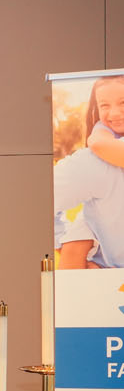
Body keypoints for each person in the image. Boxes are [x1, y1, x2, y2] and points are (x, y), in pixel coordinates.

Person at [54, 74, 124, 268]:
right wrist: (65, 245)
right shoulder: (94, 163)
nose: (115, 113)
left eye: (123, 102)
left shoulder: (99, 150)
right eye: (105, 105)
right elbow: (42, 198)